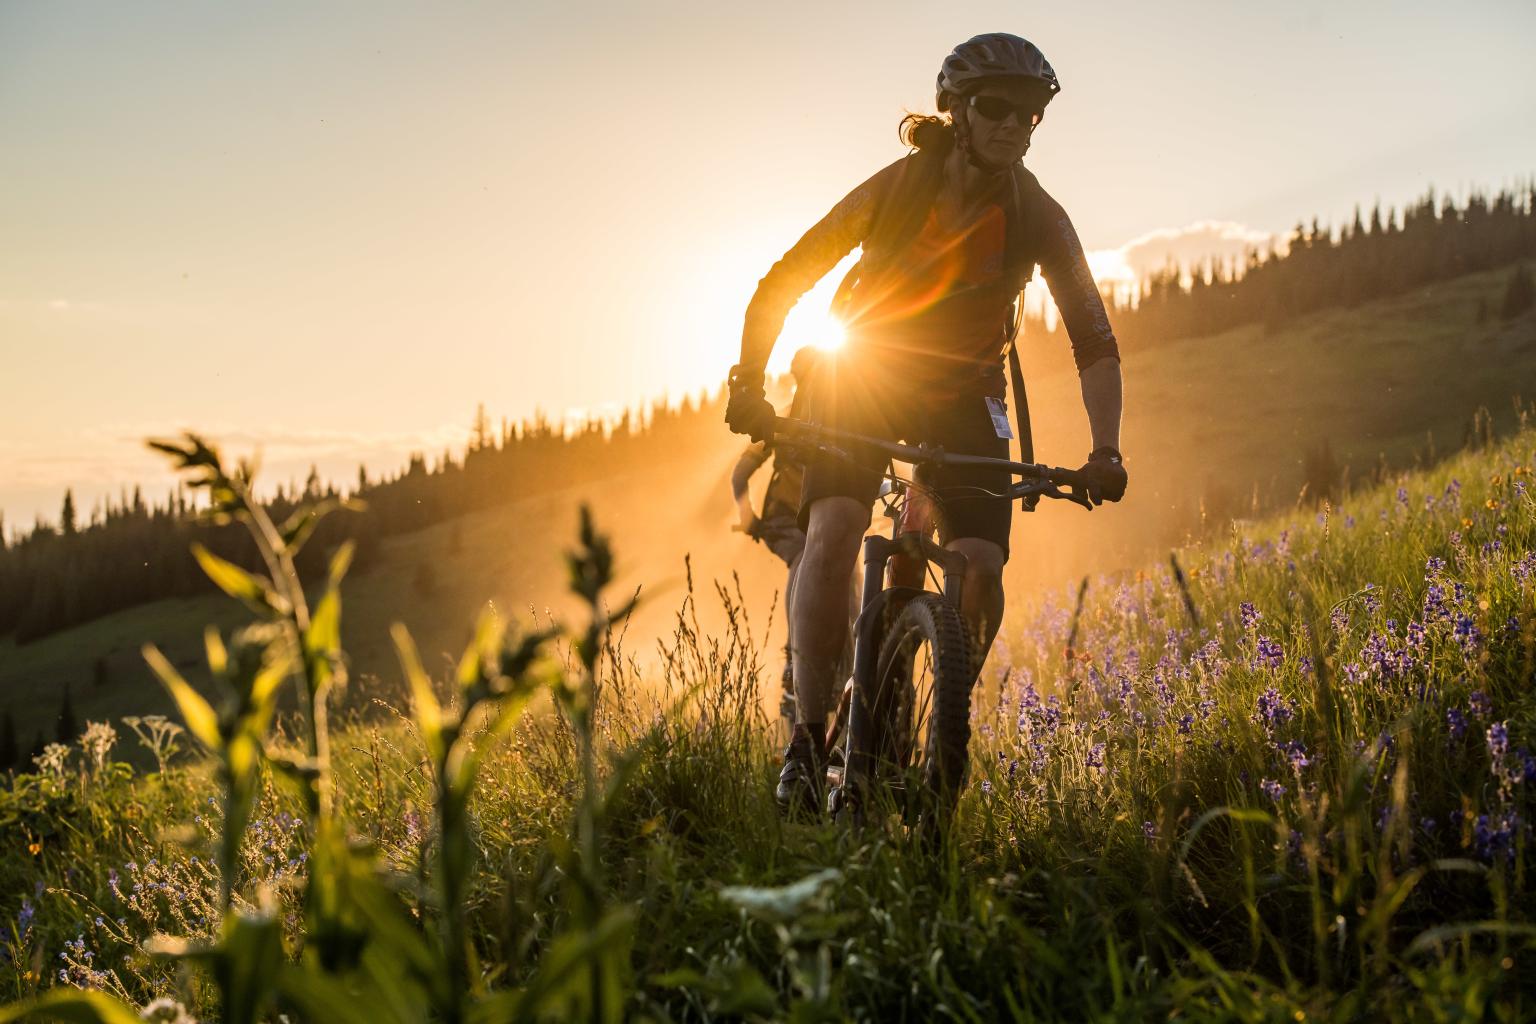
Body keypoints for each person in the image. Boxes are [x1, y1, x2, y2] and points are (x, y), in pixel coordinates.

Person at [724, 33, 1128, 815]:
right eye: (997, 108)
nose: (1015, 125)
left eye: (1031, 114)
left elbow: (1095, 338)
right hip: (864, 368)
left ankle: (941, 699)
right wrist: (748, 381)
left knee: (980, 565)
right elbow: (786, 278)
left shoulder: (1037, 213)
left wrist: (1105, 447)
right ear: (956, 112)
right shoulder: (899, 188)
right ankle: (807, 744)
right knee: (837, 529)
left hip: (965, 389)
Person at [731, 347, 818, 723]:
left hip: (803, 519)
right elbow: (739, 474)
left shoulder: (786, 423)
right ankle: (794, 657)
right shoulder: (782, 425)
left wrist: (748, 517)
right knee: (807, 561)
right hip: (788, 522)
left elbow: (739, 475)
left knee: (838, 571)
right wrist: (748, 516)